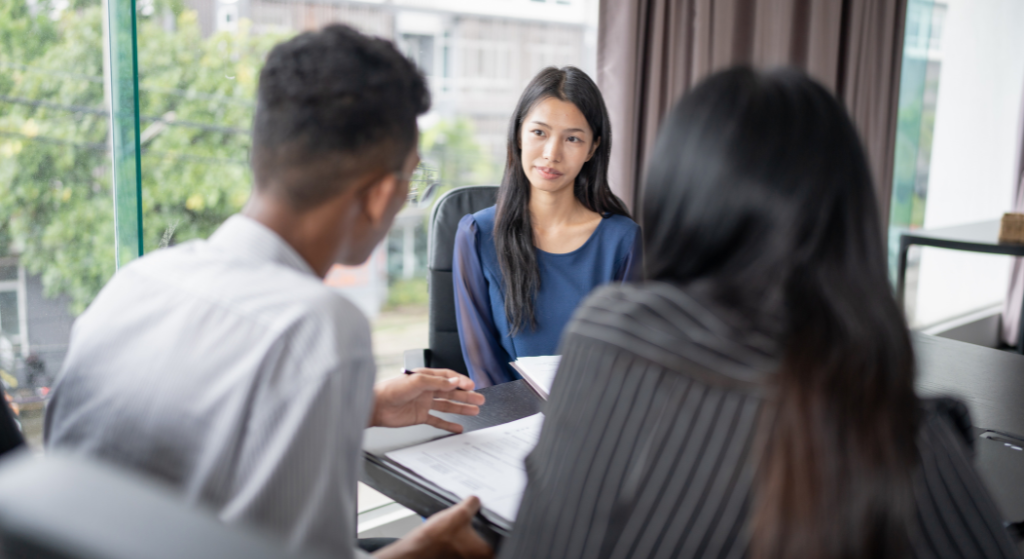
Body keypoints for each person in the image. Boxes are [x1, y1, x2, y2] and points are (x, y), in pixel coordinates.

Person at [500, 67, 1022, 559]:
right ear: (849, 217)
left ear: (676, 197)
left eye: (572, 137)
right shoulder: (899, 433)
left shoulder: (607, 333)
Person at [45, 25, 492, 559]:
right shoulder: (316, 329)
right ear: (379, 194)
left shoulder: (134, 284)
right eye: (411, 179)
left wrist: (361, 407)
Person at [453, 66, 641, 387]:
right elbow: (483, 365)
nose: (552, 153)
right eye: (539, 132)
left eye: (572, 138)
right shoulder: (476, 234)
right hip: (506, 423)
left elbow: (625, 362)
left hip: (592, 423)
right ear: (518, 135)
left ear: (592, 148)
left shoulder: (623, 240)